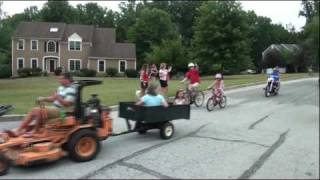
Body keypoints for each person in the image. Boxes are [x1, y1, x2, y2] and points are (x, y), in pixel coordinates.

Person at [9, 73, 76, 137]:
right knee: (36, 110)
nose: (59, 81)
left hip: (62, 112)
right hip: (55, 108)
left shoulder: (72, 90)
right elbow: (52, 99)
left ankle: (30, 130)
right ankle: (24, 130)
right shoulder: (61, 88)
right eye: (59, 79)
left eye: (61, 79)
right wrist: (43, 98)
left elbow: (67, 104)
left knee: (37, 110)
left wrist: (58, 97)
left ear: (67, 80)